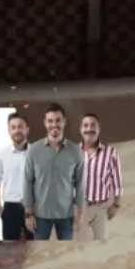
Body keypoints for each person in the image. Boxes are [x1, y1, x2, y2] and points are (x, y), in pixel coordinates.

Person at [23, 103, 86, 241]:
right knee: (40, 252)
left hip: (66, 216)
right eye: (50, 121)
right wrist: (28, 214)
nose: (54, 124)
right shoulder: (33, 151)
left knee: (66, 253)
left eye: (58, 120)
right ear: (45, 123)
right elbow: (27, 182)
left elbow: (80, 185)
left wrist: (80, 215)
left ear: (64, 122)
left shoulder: (76, 152)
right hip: (40, 216)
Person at [0, 112, 33, 241]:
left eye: (20, 127)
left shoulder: (37, 153)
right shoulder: (1, 155)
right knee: (10, 249)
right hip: (11, 208)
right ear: (9, 131)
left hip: (34, 208)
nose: (17, 130)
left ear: (27, 129)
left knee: (37, 247)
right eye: (13, 127)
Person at [79, 112, 122, 241]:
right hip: (78, 209)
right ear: (81, 129)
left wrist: (116, 205)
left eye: (93, 125)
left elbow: (117, 181)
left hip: (101, 209)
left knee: (102, 246)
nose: (89, 129)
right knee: (80, 247)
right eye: (86, 125)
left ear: (99, 128)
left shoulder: (110, 153)